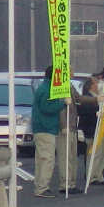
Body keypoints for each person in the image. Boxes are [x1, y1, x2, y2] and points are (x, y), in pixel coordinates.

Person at [57, 69, 103, 194]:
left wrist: (96, 99)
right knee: (66, 157)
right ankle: (65, 184)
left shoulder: (70, 85)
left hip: (73, 125)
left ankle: (71, 183)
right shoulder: (60, 85)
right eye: (71, 69)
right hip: (66, 126)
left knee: (73, 157)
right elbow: (61, 107)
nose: (73, 72)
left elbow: (78, 98)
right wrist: (63, 125)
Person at [32, 65, 66, 198]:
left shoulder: (43, 87)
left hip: (40, 127)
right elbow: (47, 108)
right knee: (47, 159)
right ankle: (42, 188)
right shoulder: (48, 89)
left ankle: (39, 186)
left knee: (41, 159)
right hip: (46, 127)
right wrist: (62, 103)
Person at [78, 76, 104, 185]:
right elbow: (85, 112)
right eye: (95, 83)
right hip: (91, 128)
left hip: (100, 128)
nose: (98, 85)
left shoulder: (100, 96)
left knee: (100, 153)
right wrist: (96, 114)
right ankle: (91, 176)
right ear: (91, 86)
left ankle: (99, 176)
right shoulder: (88, 97)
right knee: (93, 153)